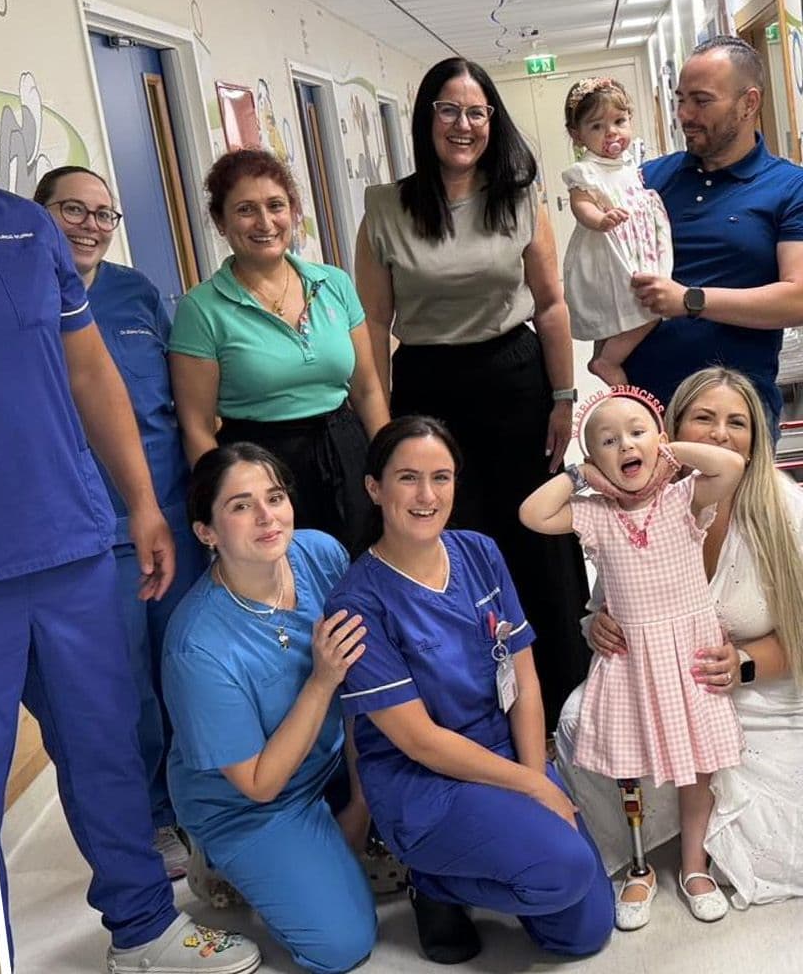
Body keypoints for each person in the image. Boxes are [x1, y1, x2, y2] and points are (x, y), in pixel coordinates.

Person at [0, 16, 256, 974]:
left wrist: (140, 504)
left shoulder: (21, 226)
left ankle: (142, 929)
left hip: (75, 544)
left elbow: (92, 374)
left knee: (102, 750)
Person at [355, 57, 590, 728]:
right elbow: (372, 321)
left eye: (477, 112)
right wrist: (378, 420)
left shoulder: (519, 195)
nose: (464, 125)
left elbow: (549, 303)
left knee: (533, 532)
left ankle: (565, 697)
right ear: (427, 118)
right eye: (449, 110)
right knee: (449, 537)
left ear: (493, 120)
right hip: (429, 388)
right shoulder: (386, 207)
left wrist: (564, 396)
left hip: (516, 380)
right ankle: (471, 700)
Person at [329, 417, 612, 965]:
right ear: (374, 488)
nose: (427, 495)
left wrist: (533, 777)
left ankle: (479, 863)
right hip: (423, 782)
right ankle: (433, 882)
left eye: (442, 477)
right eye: (408, 478)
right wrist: (532, 790)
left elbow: (525, 682)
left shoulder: (479, 552)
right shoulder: (358, 601)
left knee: (581, 934)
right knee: (566, 869)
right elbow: (419, 742)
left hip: (504, 753)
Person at [556, 366, 803, 916]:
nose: (718, 434)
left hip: (767, 690)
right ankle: (639, 850)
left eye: (736, 422)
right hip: (663, 683)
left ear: (757, 435)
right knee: (577, 719)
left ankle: (693, 856)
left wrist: (744, 663)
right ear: (672, 426)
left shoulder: (788, 510)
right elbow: (606, 605)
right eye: (704, 419)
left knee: (778, 831)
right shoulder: (641, 507)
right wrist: (596, 627)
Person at [31, 164, 202, 875]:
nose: (91, 227)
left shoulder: (137, 294)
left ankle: (201, 804)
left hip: (170, 513)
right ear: (38, 213)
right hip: (91, 529)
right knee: (123, 688)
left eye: (105, 214)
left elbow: (179, 400)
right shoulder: (20, 293)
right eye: (74, 210)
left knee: (188, 670)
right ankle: (155, 820)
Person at [520, 387, 745, 927]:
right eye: (608, 440)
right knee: (629, 769)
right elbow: (532, 514)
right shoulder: (595, 516)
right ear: (595, 460)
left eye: (638, 432)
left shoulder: (681, 498)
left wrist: (674, 450)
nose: (626, 444)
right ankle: (640, 864)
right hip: (632, 660)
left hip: (689, 654)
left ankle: (695, 863)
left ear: (659, 438)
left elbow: (730, 465)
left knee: (698, 768)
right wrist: (577, 477)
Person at [158, 443, 375, 974]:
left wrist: (360, 805)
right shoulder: (198, 646)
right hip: (250, 802)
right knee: (342, 943)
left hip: (328, 760)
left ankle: (323, 836)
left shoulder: (319, 554)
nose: (266, 517)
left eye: (274, 497)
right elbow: (258, 783)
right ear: (206, 531)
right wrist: (321, 680)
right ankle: (221, 856)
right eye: (239, 506)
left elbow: (362, 688)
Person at [172, 150, 388, 553]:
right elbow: (198, 426)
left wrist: (389, 467)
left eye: (276, 206)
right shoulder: (201, 309)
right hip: (262, 471)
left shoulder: (334, 283)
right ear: (220, 221)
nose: (265, 222)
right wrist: (222, 504)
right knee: (292, 586)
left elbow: (368, 390)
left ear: (294, 210)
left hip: (348, 453)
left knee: (367, 574)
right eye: (245, 210)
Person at [628, 37, 803, 422]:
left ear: (749, 103)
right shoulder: (648, 180)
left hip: (736, 415)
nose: (685, 114)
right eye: (680, 99)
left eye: (702, 100)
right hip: (646, 412)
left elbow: (798, 298)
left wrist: (691, 300)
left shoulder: (790, 187)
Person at [556, 78, 675, 387]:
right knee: (648, 310)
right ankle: (607, 361)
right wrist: (600, 219)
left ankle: (603, 359)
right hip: (610, 251)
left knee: (625, 311)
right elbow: (580, 205)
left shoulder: (628, 164)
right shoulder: (586, 171)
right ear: (576, 134)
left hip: (636, 249)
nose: (611, 133)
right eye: (596, 126)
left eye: (619, 121)